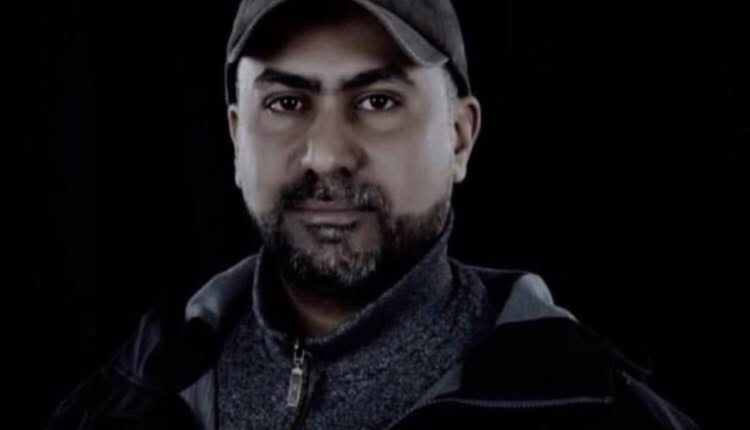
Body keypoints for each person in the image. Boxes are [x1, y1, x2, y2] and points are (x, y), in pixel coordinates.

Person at [47, 0, 699, 429]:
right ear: (237, 137)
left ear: (459, 138)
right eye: (286, 103)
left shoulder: (601, 413)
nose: (327, 154)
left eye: (378, 101)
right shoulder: (122, 405)